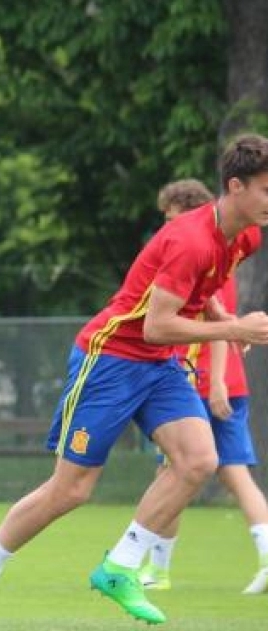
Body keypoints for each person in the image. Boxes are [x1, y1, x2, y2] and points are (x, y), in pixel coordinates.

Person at [0, 134, 268, 628]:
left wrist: (221, 311)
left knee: (199, 459)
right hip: (111, 359)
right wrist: (234, 328)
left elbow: (200, 289)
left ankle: (120, 565)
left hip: (158, 363)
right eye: (267, 189)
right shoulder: (189, 239)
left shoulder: (245, 235)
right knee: (71, 491)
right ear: (236, 186)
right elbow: (155, 324)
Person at [137, 179, 268, 594]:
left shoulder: (204, 252)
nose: (166, 226)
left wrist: (214, 388)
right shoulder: (216, 247)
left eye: (170, 216)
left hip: (207, 384)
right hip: (220, 383)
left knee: (178, 471)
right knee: (226, 474)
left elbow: (218, 324)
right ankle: (158, 567)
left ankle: (154, 568)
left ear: (189, 209)